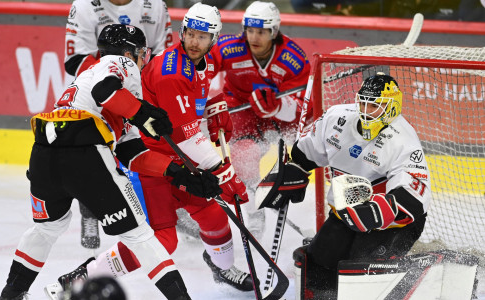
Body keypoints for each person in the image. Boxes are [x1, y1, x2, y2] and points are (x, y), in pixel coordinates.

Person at [52, 3, 254, 293]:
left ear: (214, 39)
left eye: (203, 36)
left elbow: (199, 89)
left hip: (182, 160)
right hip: (152, 164)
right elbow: (185, 135)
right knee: (164, 240)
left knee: (214, 217)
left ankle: (222, 269)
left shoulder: (202, 63)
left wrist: (214, 104)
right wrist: (224, 173)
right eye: (190, 34)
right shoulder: (171, 71)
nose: (195, 42)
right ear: (182, 33)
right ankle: (86, 276)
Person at [0, 24, 209, 300]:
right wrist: (142, 111)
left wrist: (176, 172)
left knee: (47, 228)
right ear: (129, 52)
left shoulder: (87, 78)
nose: (143, 60)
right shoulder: (119, 64)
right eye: (142, 54)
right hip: (85, 151)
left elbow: (131, 154)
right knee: (139, 235)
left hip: (43, 153)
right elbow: (105, 89)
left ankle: (11, 294)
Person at [259, 72, 432, 299]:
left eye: (375, 106)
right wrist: (295, 170)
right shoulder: (336, 117)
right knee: (318, 263)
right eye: (364, 103)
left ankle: (424, 269)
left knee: (361, 269)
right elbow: (307, 153)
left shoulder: (403, 140)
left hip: (394, 225)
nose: (366, 111)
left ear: (391, 107)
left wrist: (376, 211)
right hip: (346, 214)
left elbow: (414, 198)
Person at [65, 0, 174, 250]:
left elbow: (163, 55)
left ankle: (168, 207)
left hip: (144, 81)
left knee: (141, 145)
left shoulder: (155, 5)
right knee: (94, 152)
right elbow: (74, 60)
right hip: (100, 89)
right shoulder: (83, 6)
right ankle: (91, 210)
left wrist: (140, 85)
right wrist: (119, 82)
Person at [210, 1, 311, 237]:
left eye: (262, 32)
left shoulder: (293, 57)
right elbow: (200, 70)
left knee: (304, 151)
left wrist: (277, 107)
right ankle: (254, 205)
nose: (254, 37)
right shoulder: (228, 48)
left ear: (274, 32)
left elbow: (304, 106)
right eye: (250, 30)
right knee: (244, 154)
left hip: (279, 117)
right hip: (241, 108)